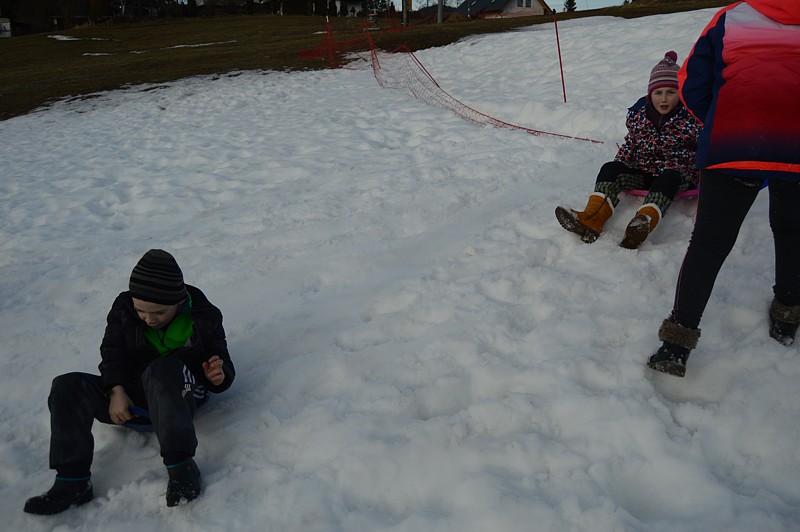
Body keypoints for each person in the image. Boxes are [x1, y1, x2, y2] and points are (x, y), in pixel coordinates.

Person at [648, 0, 800, 377]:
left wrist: (722, 121)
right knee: (793, 230)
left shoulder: (731, 17)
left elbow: (691, 83)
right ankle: (787, 316)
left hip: (731, 141)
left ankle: (676, 345)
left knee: (709, 242)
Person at [24, 249, 236, 514]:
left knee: (164, 368)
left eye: (159, 312)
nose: (149, 318)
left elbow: (221, 362)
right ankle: (72, 481)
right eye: (141, 311)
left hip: (179, 392)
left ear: (179, 301)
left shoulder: (204, 317)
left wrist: (219, 374)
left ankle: (181, 468)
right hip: (134, 399)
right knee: (67, 385)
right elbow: (113, 352)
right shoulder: (124, 308)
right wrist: (116, 390)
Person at [556, 51, 702, 249]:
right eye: (658, 93)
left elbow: (705, 145)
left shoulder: (691, 118)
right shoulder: (640, 116)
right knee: (610, 168)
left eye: (671, 92)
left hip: (676, 173)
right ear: (650, 95)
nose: (664, 99)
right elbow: (631, 144)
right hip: (643, 171)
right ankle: (591, 220)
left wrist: (706, 171)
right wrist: (619, 165)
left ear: (681, 93)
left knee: (667, 180)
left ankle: (641, 225)